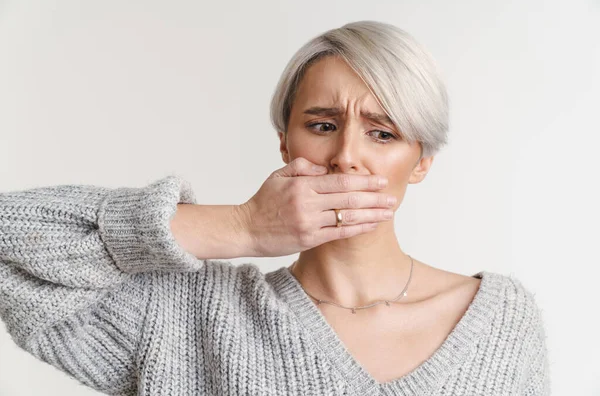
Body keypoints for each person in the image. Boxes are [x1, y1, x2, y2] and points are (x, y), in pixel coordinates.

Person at [0, 20, 550, 395]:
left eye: (382, 134)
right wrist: (242, 226)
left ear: (422, 160)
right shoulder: (186, 317)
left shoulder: (500, 321)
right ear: (286, 144)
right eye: (322, 126)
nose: (346, 157)